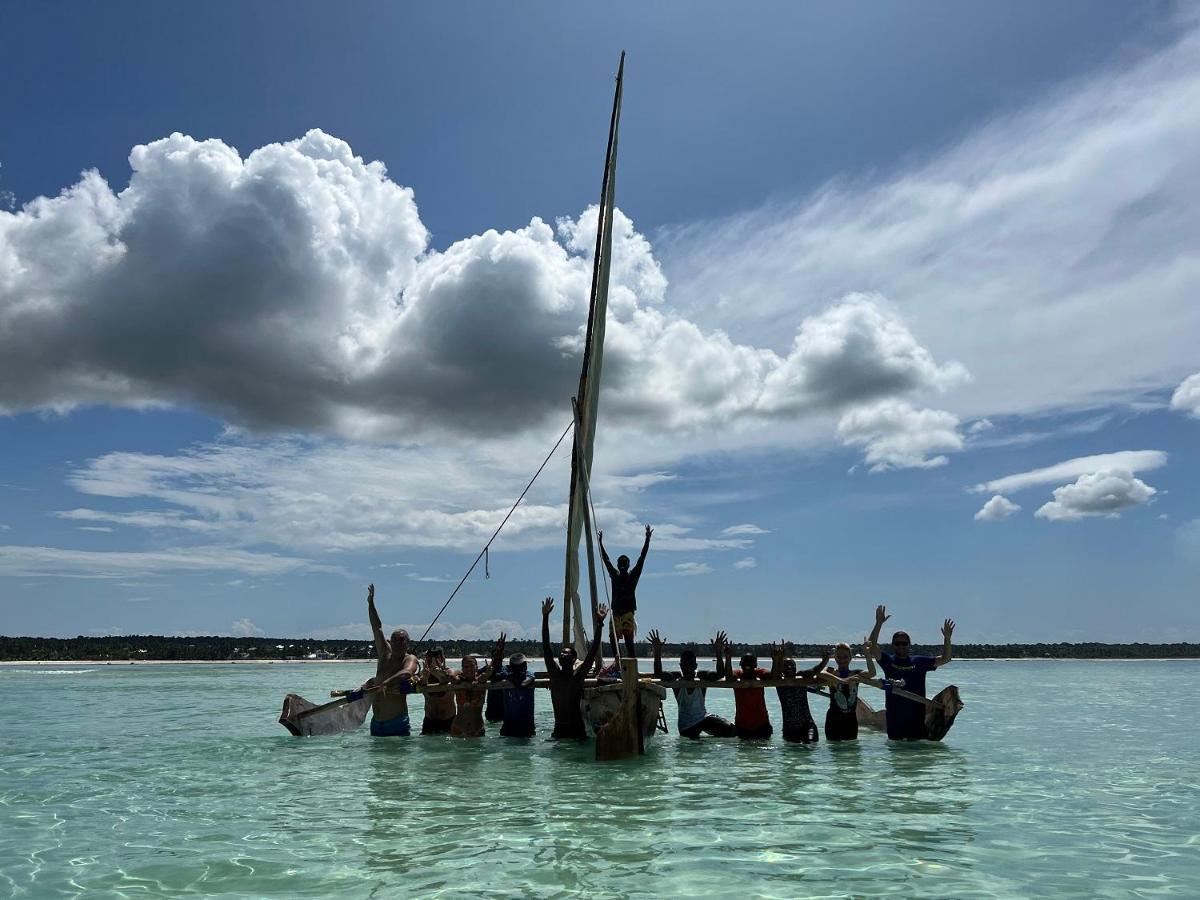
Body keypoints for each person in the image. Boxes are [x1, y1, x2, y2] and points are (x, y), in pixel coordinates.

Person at [867, 604, 955, 740]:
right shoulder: (888, 661)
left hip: (917, 719)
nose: (901, 646)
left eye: (904, 643)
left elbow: (946, 659)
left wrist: (947, 639)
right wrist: (878, 623)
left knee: (916, 756)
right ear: (893, 645)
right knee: (897, 756)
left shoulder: (919, 662)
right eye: (897, 643)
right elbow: (871, 647)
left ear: (909, 645)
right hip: (894, 719)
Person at [649, 628, 736, 739]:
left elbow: (719, 675)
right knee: (694, 745)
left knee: (732, 730)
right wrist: (657, 652)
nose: (687, 668)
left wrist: (718, 652)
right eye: (685, 665)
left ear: (695, 666)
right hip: (686, 725)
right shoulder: (677, 678)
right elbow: (658, 673)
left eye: (690, 665)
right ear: (680, 666)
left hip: (703, 718)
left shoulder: (701, 676)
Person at [540, 597, 608, 740]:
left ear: (573, 660)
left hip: (576, 729)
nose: (563, 654)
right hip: (559, 729)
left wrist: (600, 624)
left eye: (567, 653)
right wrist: (545, 617)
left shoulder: (577, 678)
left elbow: (593, 651)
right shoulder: (555, 675)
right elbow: (546, 646)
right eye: (562, 653)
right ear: (558, 659)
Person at [363, 583, 419, 737]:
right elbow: (377, 627)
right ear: (390, 642)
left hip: (396, 722)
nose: (398, 643)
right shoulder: (384, 653)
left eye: (402, 640)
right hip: (376, 724)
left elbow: (407, 672)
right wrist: (370, 602)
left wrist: (386, 682)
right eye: (394, 640)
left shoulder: (410, 658)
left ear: (408, 643)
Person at [598, 524, 652, 659]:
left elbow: (642, 558)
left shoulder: (632, 576)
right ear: (618, 565)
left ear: (627, 565)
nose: (622, 564)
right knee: (614, 641)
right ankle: (619, 665)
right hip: (616, 613)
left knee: (628, 643)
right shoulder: (615, 575)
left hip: (627, 613)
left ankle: (631, 666)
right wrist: (600, 544)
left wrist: (647, 540)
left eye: (624, 562)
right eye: (620, 562)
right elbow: (606, 560)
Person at [771, 642, 830, 744]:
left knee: (811, 745)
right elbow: (775, 672)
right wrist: (777, 659)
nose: (789, 667)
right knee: (792, 755)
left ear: (796, 667)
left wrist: (824, 661)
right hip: (789, 728)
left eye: (792, 665)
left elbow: (814, 671)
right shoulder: (779, 681)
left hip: (807, 725)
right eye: (786, 666)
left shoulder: (801, 677)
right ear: (781, 669)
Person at [823, 638, 877, 742]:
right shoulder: (831, 672)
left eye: (845, 657)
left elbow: (872, 673)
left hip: (851, 720)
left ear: (850, 658)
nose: (842, 659)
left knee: (852, 754)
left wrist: (866, 652)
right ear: (834, 657)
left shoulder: (855, 674)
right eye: (838, 657)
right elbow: (820, 672)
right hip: (833, 720)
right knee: (835, 753)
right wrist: (842, 681)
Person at [489, 636, 537, 738]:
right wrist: (498, 654)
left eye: (524, 665)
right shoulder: (507, 672)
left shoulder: (529, 673)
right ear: (512, 667)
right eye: (521, 665)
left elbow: (524, 684)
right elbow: (494, 676)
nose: (524, 667)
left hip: (526, 727)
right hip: (508, 727)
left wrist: (510, 678)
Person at [725, 643, 773, 740]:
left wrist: (776, 659)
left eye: (750, 662)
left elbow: (773, 676)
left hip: (762, 725)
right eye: (745, 662)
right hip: (742, 726)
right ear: (740, 664)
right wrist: (728, 657)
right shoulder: (738, 674)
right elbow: (729, 678)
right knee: (744, 755)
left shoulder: (760, 673)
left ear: (755, 665)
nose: (747, 665)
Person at [451, 652, 493, 738]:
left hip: (477, 729)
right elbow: (451, 675)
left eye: (471, 666)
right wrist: (457, 673)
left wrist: (488, 673)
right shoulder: (458, 681)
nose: (469, 669)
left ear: (477, 667)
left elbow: (484, 677)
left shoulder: (481, 680)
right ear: (462, 669)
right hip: (459, 728)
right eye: (466, 667)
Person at [418, 647, 457, 735]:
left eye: (435, 658)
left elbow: (451, 678)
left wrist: (439, 673)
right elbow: (421, 683)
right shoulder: (423, 674)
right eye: (429, 658)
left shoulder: (449, 672)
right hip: (429, 721)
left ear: (442, 659)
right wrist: (425, 677)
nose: (432, 662)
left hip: (448, 720)